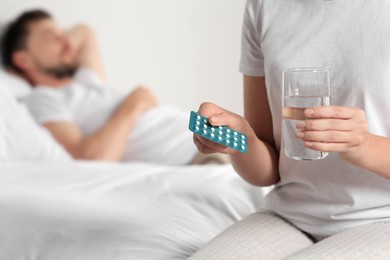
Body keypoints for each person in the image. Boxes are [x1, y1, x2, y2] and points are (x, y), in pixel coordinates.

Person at [190, 0, 390, 258]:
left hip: (381, 217)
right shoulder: (263, 6)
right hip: (289, 215)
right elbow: (270, 169)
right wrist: (242, 139)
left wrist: (364, 146)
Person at [0, 9, 228, 165]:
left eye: (63, 34)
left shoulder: (85, 83)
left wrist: (60, 41)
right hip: (194, 157)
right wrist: (133, 104)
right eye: (51, 36)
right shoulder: (41, 98)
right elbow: (91, 163)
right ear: (23, 60)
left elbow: (86, 32)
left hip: (208, 142)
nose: (65, 40)